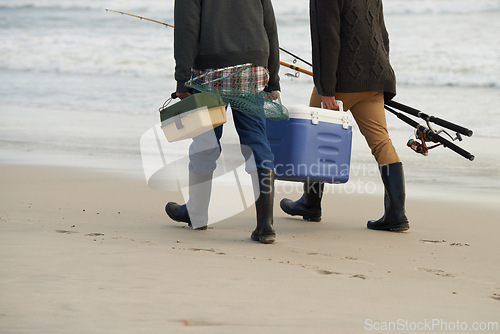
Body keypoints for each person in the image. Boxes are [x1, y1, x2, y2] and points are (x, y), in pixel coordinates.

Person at [280, 0, 410, 232]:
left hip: (342, 81)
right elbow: (382, 34)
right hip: (376, 77)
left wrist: (327, 90)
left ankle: (310, 204)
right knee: (381, 143)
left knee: (313, 138)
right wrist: (381, 77)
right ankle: (396, 214)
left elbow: (326, 39)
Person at [165, 0, 281, 243]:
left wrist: (182, 79)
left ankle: (197, 214)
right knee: (256, 140)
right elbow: (269, 24)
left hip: (210, 70)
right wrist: (273, 79)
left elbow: (187, 26)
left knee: (205, 140)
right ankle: (265, 224)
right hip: (254, 67)